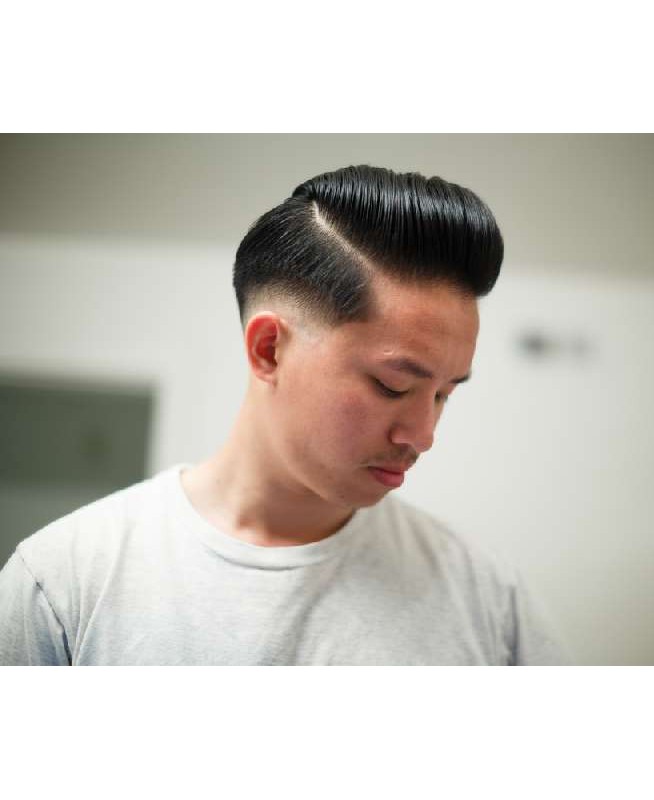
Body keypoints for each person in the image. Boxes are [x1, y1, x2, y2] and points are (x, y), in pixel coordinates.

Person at [0, 165, 566, 665]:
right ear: (269, 350)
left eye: (444, 394)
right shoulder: (65, 583)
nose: (423, 435)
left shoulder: (487, 596)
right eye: (392, 386)